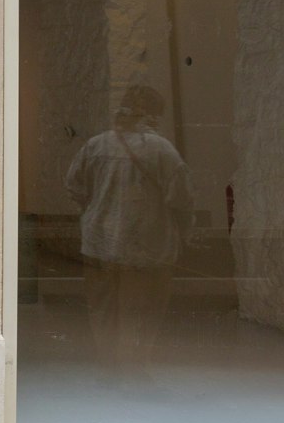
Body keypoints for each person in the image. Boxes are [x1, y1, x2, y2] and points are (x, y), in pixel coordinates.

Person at [64, 83, 192, 370]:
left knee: (102, 309)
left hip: (99, 244)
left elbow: (74, 186)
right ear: (154, 114)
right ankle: (136, 368)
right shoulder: (163, 151)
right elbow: (182, 200)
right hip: (147, 246)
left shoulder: (95, 146)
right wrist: (184, 233)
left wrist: (97, 211)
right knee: (143, 311)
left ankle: (108, 366)